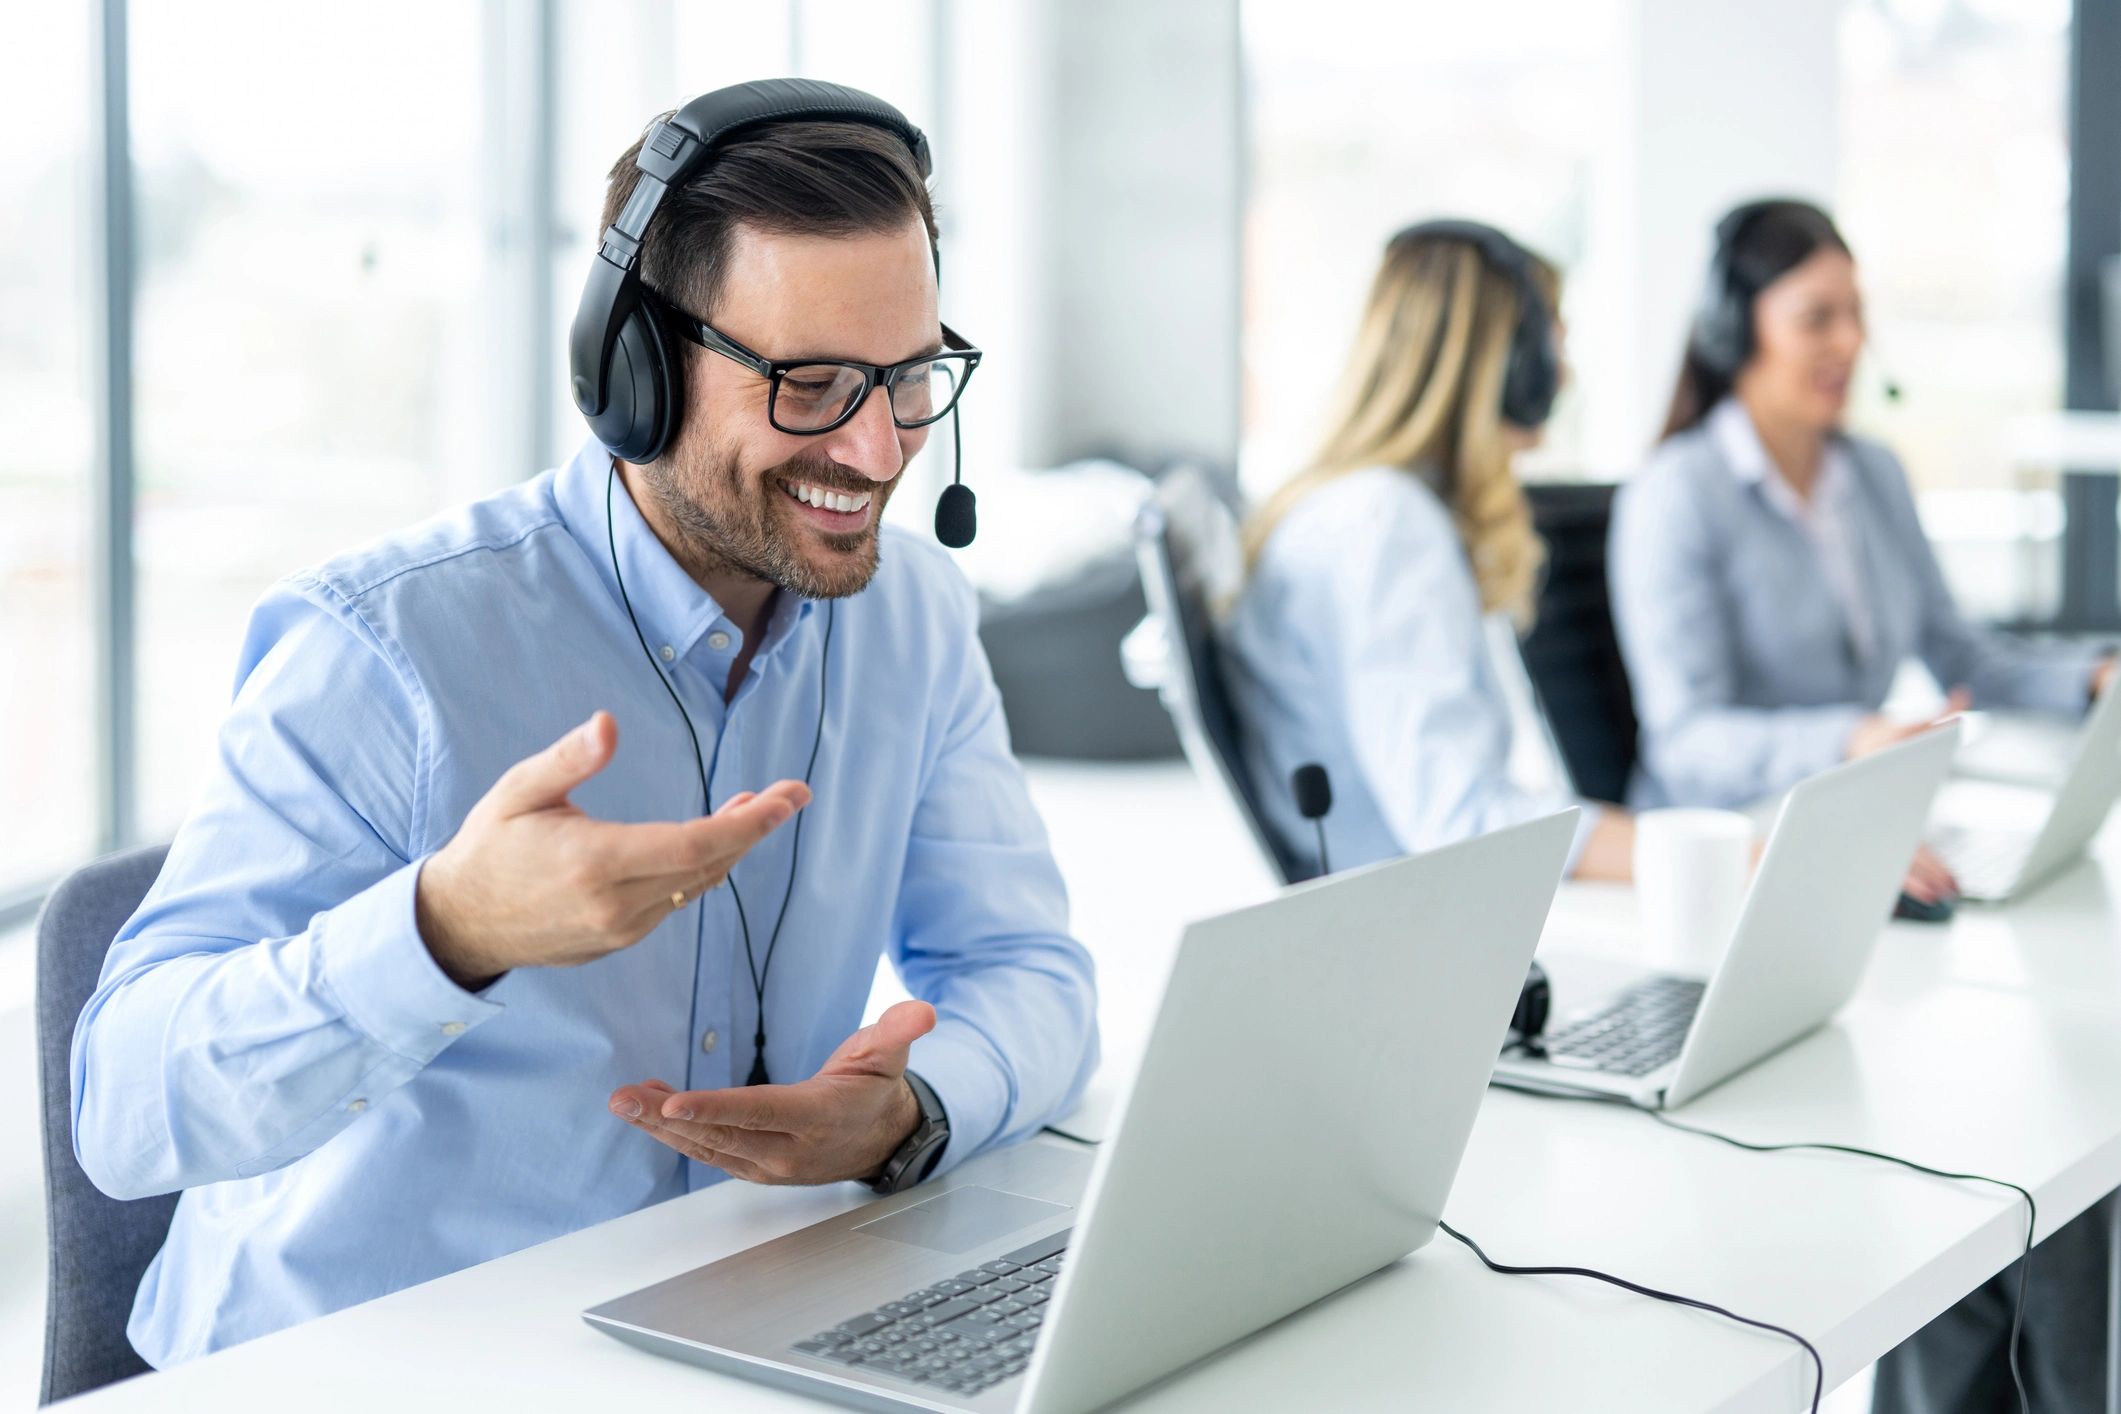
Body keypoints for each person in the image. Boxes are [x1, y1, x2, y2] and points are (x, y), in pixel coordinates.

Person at [69, 81, 1098, 1366]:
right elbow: (123, 1109)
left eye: (907, 378)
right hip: (361, 1365)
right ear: (638, 370)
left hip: (698, 1335)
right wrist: (446, 930)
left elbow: (1032, 975)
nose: (882, 453)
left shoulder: (914, 619)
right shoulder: (385, 649)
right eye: (815, 383)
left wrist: (911, 1115)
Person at [1611, 198, 2115, 823]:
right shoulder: (1676, 494)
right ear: (1736, 329)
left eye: (1855, 314)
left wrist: (2092, 679)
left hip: (1845, 813)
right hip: (1726, 838)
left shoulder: (1873, 473)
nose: (1850, 342)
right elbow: (1687, 743)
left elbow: (1960, 655)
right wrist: (1851, 739)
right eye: (1817, 319)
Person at [1223, 220, 1637, 883]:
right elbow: (1460, 820)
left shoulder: (1352, 508)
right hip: (1413, 922)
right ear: (1512, 370)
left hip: (1408, 909)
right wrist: (1683, 854)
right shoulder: (1386, 525)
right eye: (1552, 347)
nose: (1562, 376)